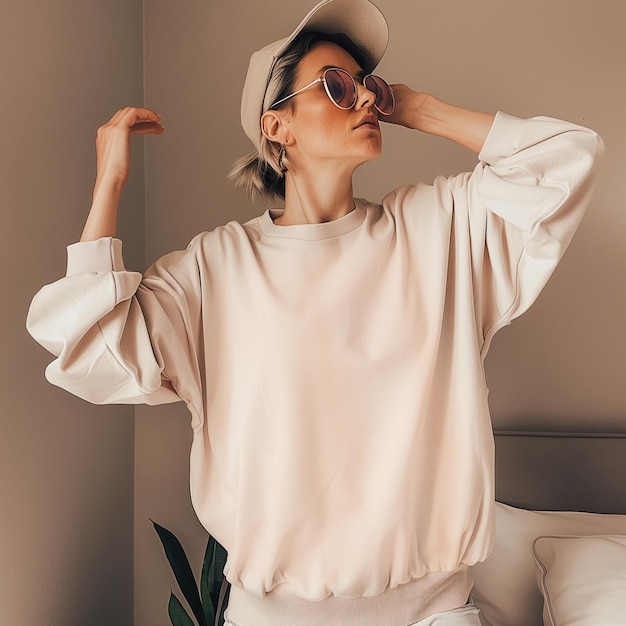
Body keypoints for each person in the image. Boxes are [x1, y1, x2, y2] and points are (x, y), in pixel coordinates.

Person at [27, 1, 603, 624]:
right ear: (278, 127)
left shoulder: (438, 231)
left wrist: (413, 106)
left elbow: (569, 158)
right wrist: (109, 181)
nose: (361, 100)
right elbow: (91, 347)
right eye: (335, 86)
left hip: (433, 614)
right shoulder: (217, 267)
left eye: (366, 86)